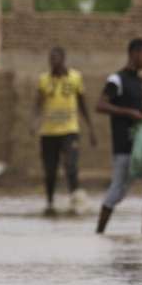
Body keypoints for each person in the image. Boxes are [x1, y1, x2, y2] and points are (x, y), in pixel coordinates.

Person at [95, 38, 142, 234]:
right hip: (124, 146)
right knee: (117, 191)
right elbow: (100, 105)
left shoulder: (141, 83)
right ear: (133, 53)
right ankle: (99, 233)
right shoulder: (116, 80)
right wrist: (127, 113)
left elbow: (141, 111)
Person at [31, 46, 96, 216]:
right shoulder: (43, 80)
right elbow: (38, 103)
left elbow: (82, 104)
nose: (53, 62)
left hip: (70, 130)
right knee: (50, 171)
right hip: (48, 132)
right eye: (50, 59)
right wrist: (34, 121)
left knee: (71, 165)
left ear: (63, 59)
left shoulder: (75, 78)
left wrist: (90, 128)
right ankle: (50, 202)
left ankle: (74, 199)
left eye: (56, 58)